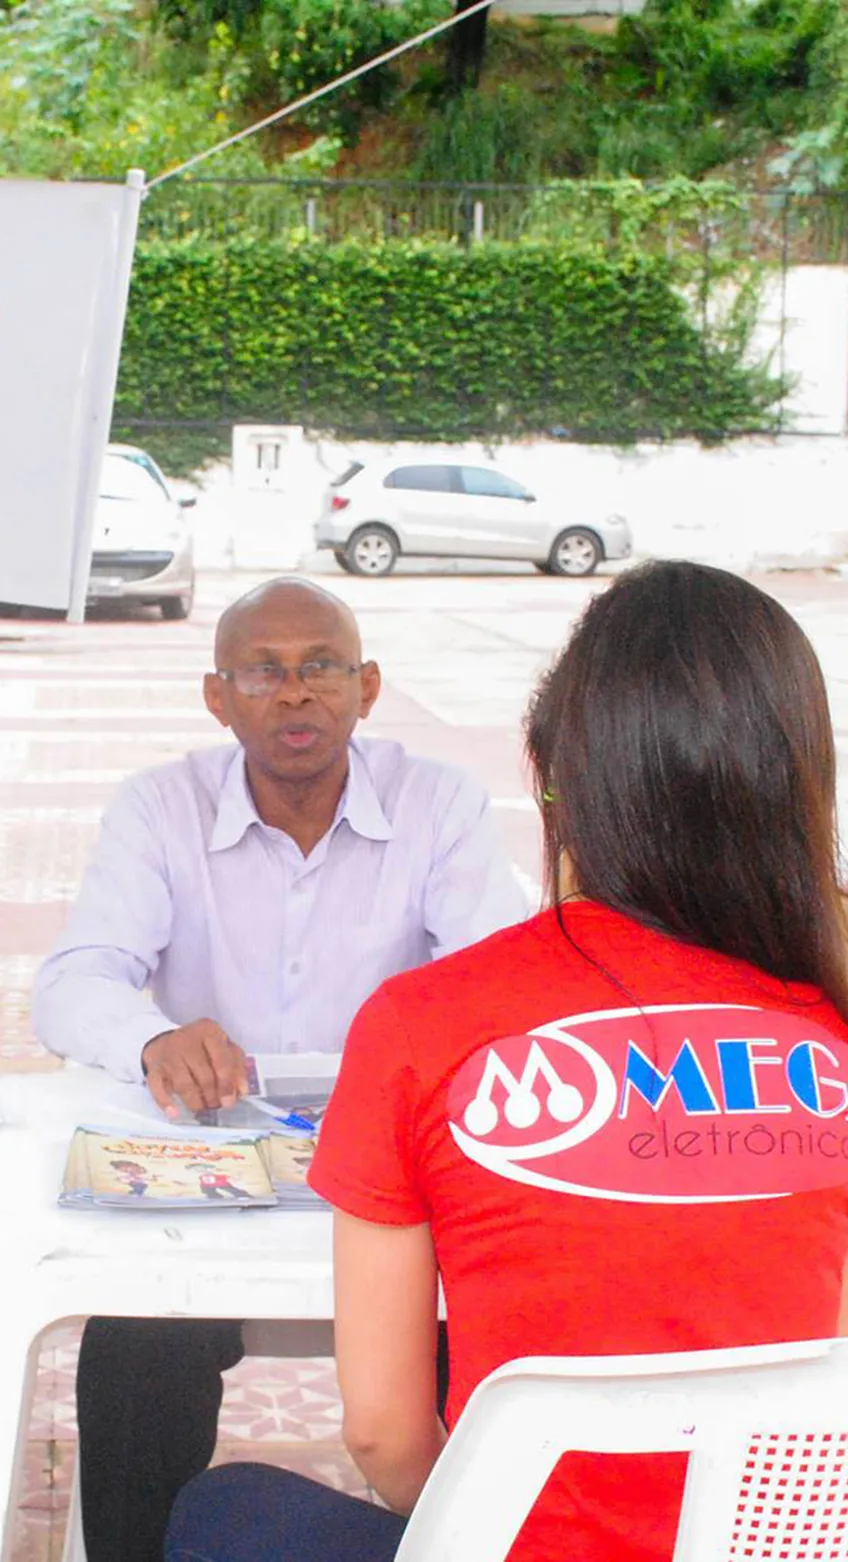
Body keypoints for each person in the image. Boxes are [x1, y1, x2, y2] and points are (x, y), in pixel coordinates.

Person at [165, 561, 848, 1562]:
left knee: (221, 1511)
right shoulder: (828, 1008)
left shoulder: (420, 1024)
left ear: (552, 780)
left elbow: (383, 1432)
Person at [32, 576, 528, 1562]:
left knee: (478, 1323)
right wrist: (148, 1037)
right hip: (205, 1167)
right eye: (262, 672)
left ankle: (464, 1539)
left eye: (321, 669)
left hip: (396, 1177)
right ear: (216, 695)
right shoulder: (157, 806)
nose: (293, 695)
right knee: (135, 1341)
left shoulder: (438, 802)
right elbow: (71, 980)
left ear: (367, 686)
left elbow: (497, 981)